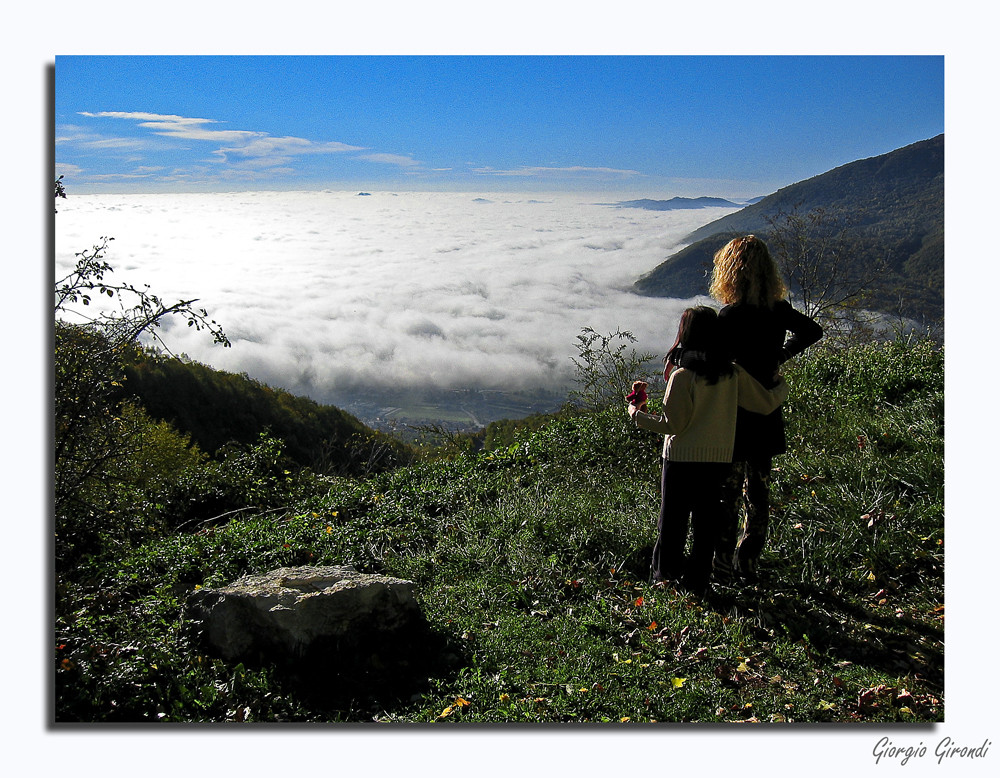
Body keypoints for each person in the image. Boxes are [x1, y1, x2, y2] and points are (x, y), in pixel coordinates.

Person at [627, 306, 789, 595]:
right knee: (705, 526)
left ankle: (666, 580)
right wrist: (780, 385)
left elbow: (672, 424)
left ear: (686, 334)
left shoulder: (683, 376)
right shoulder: (733, 374)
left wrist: (635, 412)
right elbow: (765, 404)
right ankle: (698, 582)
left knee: (672, 523)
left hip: (680, 460)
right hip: (717, 461)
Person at [708, 235, 824, 581]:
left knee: (726, 493)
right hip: (767, 407)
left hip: (733, 413)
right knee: (758, 491)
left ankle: (722, 563)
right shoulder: (778, 311)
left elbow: (715, 362)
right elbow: (813, 331)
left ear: (731, 272)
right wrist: (781, 355)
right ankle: (749, 560)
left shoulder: (728, 316)